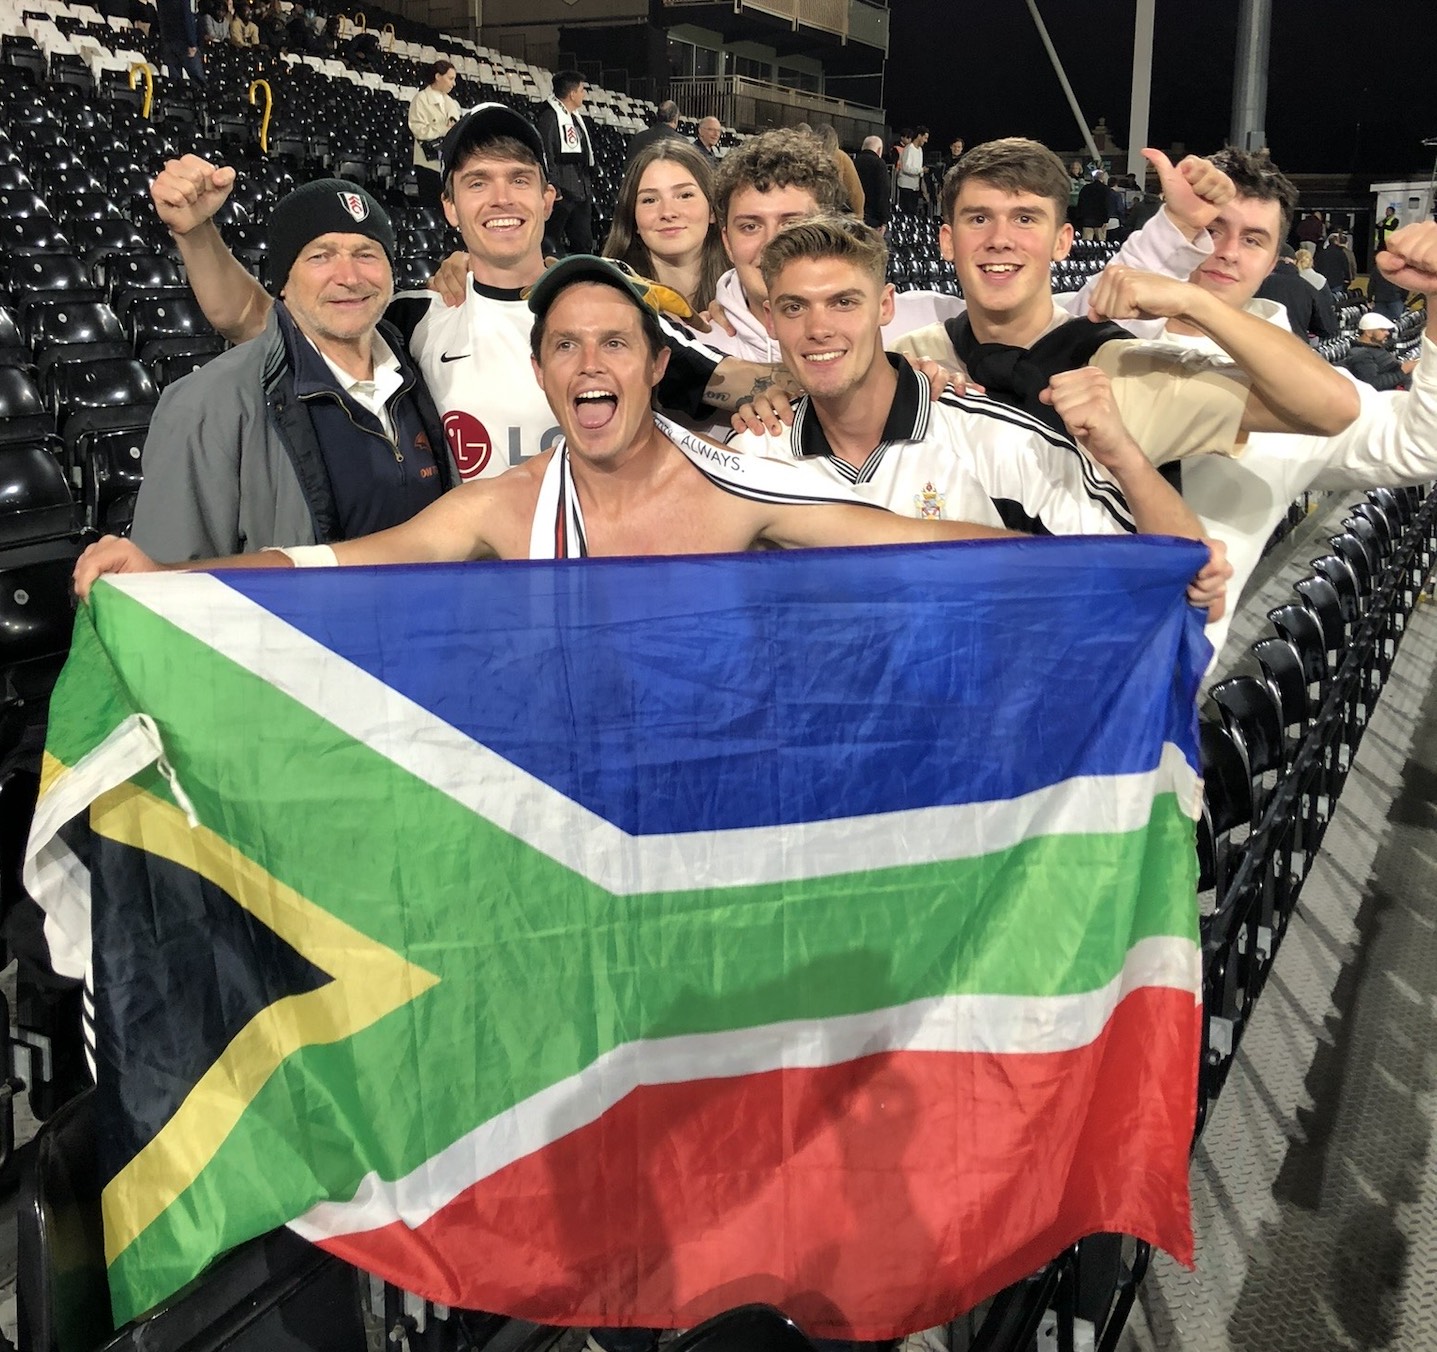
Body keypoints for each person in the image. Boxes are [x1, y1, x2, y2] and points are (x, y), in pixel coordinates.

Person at [75, 254, 1012, 594]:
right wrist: (174, 575)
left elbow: (917, 543)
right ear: (541, 372)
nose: (589, 364)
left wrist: (1126, 570)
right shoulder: (501, 507)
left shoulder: (733, 480)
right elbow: (332, 564)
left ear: (654, 367)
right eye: (565, 347)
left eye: (613, 344)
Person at [153, 107, 802, 479]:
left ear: (549, 200)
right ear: (449, 208)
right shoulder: (407, 320)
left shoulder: (613, 313)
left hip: (595, 584)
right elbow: (246, 317)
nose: (500, 199)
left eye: (520, 180)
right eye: (477, 182)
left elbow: (736, 381)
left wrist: (873, 366)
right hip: (469, 601)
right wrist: (197, 233)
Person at [729, 215, 1230, 624]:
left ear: (885, 306)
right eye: (795, 307)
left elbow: (1192, 599)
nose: (818, 328)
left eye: (843, 302)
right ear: (770, 318)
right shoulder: (752, 455)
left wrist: (1125, 457)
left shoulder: (1000, 439)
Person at [1095, 166, 1437, 660]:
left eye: (1252, 240)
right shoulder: (1077, 326)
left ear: (1274, 260)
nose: (1227, 251)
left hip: (1159, 679)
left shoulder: (1312, 394)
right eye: (1211, 229)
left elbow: (1421, 444)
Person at [129, 179, 455, 561]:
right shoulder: (208, 405)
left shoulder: (421, 365)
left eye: (366, 254)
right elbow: (166, 587)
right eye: (320, 256)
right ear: (283, 281)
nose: (349, 278)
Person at [601, 139, 726, 313]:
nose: (667, 213)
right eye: (650, 200)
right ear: (633, 217)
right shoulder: (604, 297)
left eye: (685, 195)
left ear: (712, 210)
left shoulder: (746, 296)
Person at [536, 71, 595, 256]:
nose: (584, 94)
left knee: (584, 243)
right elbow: (546, 153)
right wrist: (554, 186)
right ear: (572, 94)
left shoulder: (576, 118)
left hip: (580, 190)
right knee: (551, 242)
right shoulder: (549, 118)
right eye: (582, 90)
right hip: (562, 193)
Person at [1256, 243, 1338, 339]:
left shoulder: (1257, 284)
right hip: (1295, 346)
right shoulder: (1308, 288)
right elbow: (1327, 328)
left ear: (1271, 260)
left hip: (1261, 345)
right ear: (1295, 262)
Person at [409, 61, 462, 209]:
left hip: (447, 163)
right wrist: (443, 129)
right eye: (450, 78)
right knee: (431, 205)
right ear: (438, 76)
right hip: (428, 162)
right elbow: (418, 129)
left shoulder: (451, 102)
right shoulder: (421, 99)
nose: (454, 83)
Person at [1341, 312, 1415, 390]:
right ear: (1368, 333)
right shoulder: (1361, 354)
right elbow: (1372, 384)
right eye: (1382, 330)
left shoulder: (1374, 348)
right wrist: (1402, 371)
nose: (1387, 333)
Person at [812, 123, 863, 221]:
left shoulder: (808, 156)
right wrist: (858, 216)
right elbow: (855, 192)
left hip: (812, 211)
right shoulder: (841, 157)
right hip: (834, 212)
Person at [155, 0, 204, 85]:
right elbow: (186, 18)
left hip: (168, 39)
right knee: (198, 80)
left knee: (175, 81)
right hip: (183, 41)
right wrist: (192, 43)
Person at [853, 135, 890, 234]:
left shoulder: (853, 163)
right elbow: (883, 192)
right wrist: (884, 221)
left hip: (854, 216)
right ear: (879, 150)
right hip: (873, 219)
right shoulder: (879, 164)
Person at [895, 126, 927, 214]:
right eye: (925, 138)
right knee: (906, 212)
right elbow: (905, 168)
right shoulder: (909, 148)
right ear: (919, 136)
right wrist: (921, 170)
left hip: (915, 187)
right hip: (906, 186)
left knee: (913, 212)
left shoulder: (920, 150)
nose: (926, 141)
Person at [1076, 168, 1110, 241]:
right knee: (1101, 242)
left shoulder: (1086, 188)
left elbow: (1080, 203)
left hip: (1087, 220)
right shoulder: (1105, 189)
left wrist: (1081, 217)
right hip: (1100, 221)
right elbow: (1107, 205)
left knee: (1087, 243)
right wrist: (1106, 220)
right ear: (1102, 178)